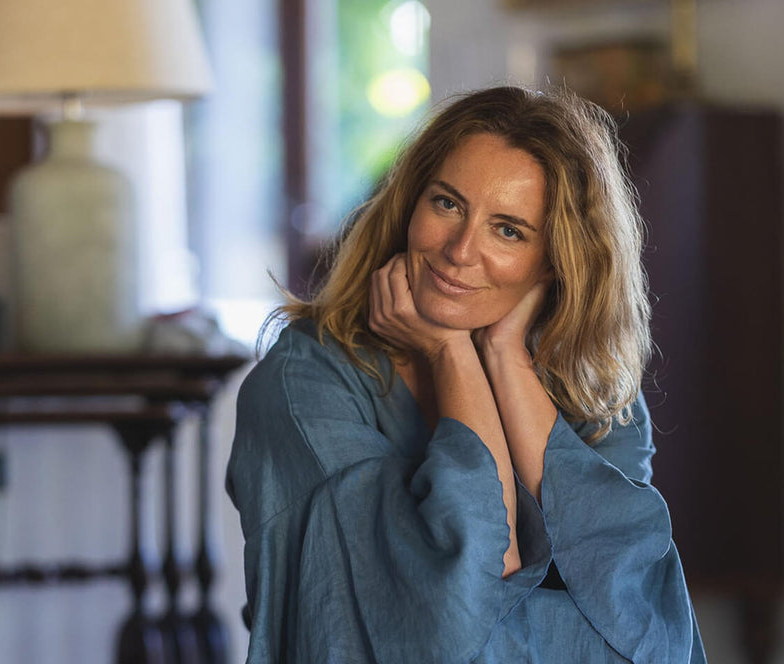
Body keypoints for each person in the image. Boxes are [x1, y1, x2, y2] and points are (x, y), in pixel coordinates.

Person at [226, 85, 706, 663]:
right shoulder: (304, 385)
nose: (459, 250)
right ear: (410, 203)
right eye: (447, 204)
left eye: (509, 230)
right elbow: (445, 615)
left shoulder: (595, 390)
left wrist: (506, 356)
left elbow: (645, 627)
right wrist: (449, 350)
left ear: (555, 261)